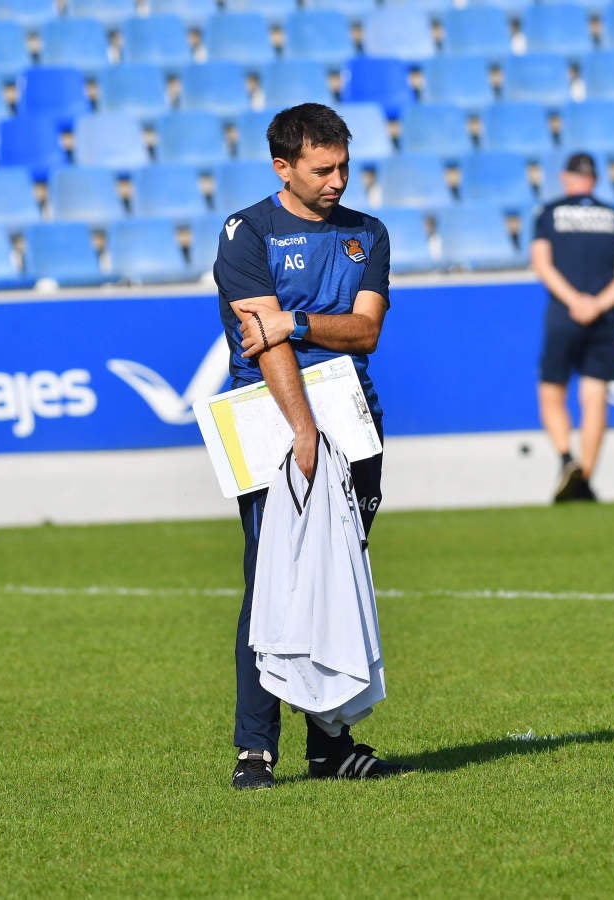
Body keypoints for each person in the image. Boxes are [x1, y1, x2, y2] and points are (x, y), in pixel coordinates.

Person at [213, 103, 413, 789]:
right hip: (272, 425)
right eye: (322, 169)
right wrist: (302, 429)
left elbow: (366, 333)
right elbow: (262, 350)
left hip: (355, 424)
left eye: (344, 167)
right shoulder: (247, 233)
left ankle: (330, 742)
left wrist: (294, 320)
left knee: (340, 581)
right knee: (269, 584)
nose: (337, 181)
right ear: (283, 167)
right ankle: (253, 749)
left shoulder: (368, 235)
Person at [530, 152, 614, 503]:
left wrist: (575, 301)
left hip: (565, 313)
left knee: (552, 391)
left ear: (566, 178)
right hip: (603, 317)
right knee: (594, 397)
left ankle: (567, 458)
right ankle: (586, 478)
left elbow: (542, 265)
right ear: (595, 179)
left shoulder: (549, 213)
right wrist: (598, 303)